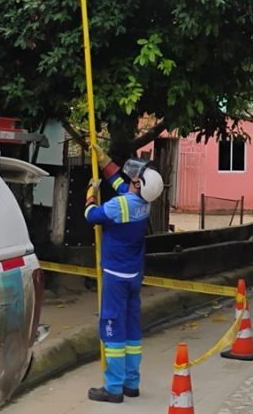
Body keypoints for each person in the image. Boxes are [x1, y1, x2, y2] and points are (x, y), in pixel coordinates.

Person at [84, 144, 164, 403]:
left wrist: (90, 194)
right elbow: (120, 182)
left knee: (112, 328)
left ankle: (113, 388)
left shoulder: (120, 205)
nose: (132, 179)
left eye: (136, 178)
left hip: (115, 276)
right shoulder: (143, 204)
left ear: (139, 186)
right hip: (133, 276)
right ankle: (132, 383)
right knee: (131, 330)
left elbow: (91, 215)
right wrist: (104, 160)